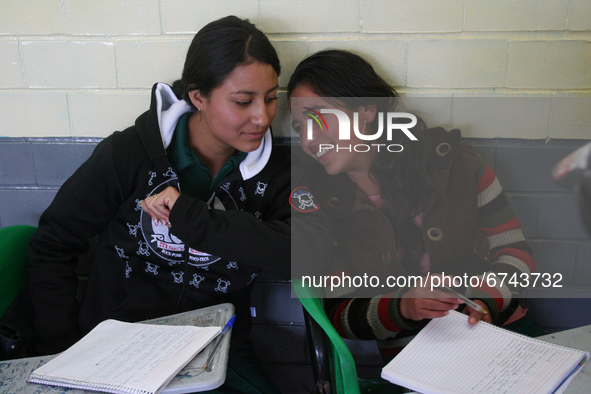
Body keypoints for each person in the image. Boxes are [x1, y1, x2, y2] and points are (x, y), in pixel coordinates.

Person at [27, 15, 289, 393]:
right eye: (243, 101)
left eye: (270, 98)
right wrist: (60, 348)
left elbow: (296, 253)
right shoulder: (131, 152)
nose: (262, 117)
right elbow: (54, 242)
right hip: (116, 346)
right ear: (198, 97)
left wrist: (190, 215)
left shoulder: (276, 172)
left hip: (214, 351)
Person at [288, 50, 538, 364]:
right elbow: (339, 313)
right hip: (415, 364)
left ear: (367, 109)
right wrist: (402, 307)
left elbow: (515, 251)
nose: (309, 139)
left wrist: (482, 301)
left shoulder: (456, 161)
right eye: (299, 128)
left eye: (317, 117)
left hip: (503, 337)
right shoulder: (317, 204)